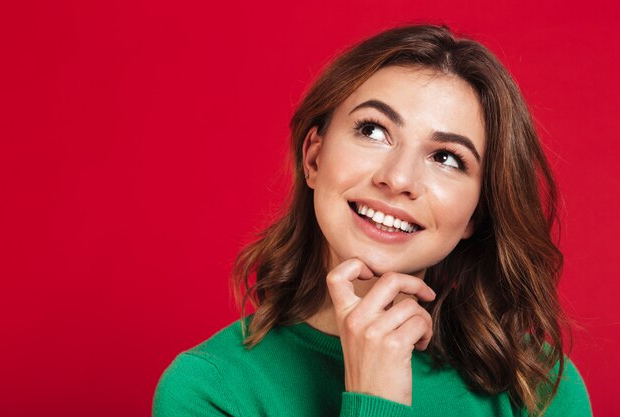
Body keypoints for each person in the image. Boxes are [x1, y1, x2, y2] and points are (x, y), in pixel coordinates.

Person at [152, 24, 592, 416]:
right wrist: (376, 398)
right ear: (314, 157)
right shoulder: (209, 391)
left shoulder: (537, 385)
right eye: (374, 131)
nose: (398, 179)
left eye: (446, 158)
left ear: (476, 214)